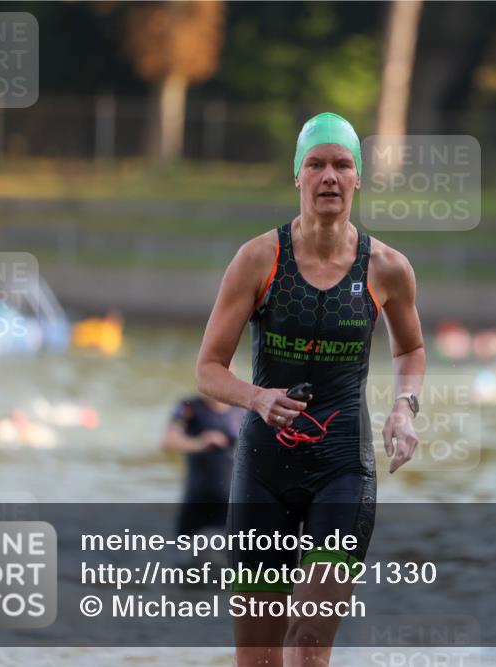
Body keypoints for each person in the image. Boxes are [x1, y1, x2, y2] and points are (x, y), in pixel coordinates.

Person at [196, 112, 425, 666]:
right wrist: (257, 397)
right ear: (296, 175)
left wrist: (404, 408)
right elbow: (208, 368)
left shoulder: (387, 267)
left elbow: (410, 350)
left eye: (342, 165)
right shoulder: (259, 259)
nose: (329, 176)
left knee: (309, 639)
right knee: (257, 656)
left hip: (342, 467)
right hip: (263, 469)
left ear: (357, 178)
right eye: (316, 164)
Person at [161, 392, 245, 538]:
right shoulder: (189, 407)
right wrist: (200, 443)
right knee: (184, 553)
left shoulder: (241, 410)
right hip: (197, 496)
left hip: (230, 498)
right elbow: (168, 440)